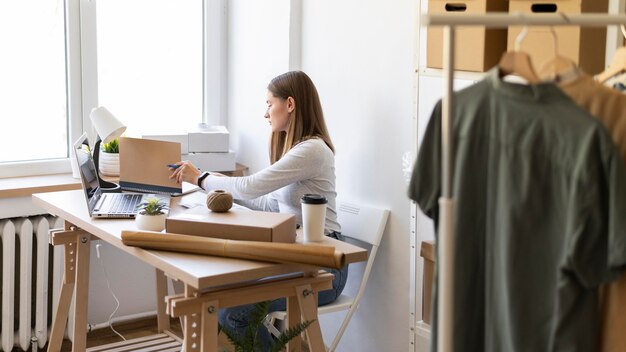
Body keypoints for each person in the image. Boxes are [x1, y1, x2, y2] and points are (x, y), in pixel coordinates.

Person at [169, 70, 348, 348]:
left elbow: (252, 186)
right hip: (297, 255)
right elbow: (265, 202)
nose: (266, 113)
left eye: (269, 103)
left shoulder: (312, 150)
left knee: (232, 313)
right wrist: (222, 184)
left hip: (324, 268)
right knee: (213, 291)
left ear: (290, 104)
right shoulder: (296, 150)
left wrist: (201, 178)